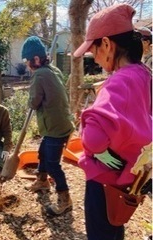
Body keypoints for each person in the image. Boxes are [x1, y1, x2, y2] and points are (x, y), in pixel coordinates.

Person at [73, 4, 152, 240]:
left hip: (104, 179)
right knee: (115, 227)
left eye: (94, 51)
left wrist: (96, 143)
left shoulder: (116, 82)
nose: (95, 59)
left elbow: (95, 138)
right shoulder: (143, 74)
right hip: (128, 175)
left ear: (106, 44)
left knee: (101, 233)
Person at [21, 36, 74, 216]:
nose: (27, 65)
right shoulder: (54, 70)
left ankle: (65, 199)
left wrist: (30, 102)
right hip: (61, 122)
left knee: (53, 164)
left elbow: (34, 102)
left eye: (28, 61)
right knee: (42, 153)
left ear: (36, 59)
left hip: (55, 128)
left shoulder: (39, 75)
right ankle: (42, 181)